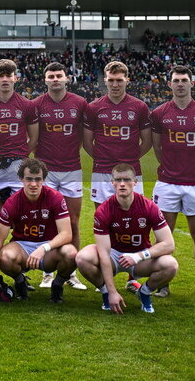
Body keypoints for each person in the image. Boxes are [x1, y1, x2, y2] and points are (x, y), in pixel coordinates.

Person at [150, 65, 195, 302]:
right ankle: (162, 282)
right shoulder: (159, 113)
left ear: (192, 83)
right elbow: (157, 148)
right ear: (169, 84)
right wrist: (171, 169)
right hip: (167, 183)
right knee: (163, 236)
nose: (180, 84)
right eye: (176, 80)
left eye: (184, 80)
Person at [82, 60, 152, 292]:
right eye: (111, 80)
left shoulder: (139, 107)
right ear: (105, 80)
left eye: (119, 80)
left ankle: (133, 274)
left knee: (135, 224)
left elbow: (147, 141)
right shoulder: (94, 107)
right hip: (102, 173)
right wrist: (105, 161)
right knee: (104, 222)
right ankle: (107, 272)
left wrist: (128, 163)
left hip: (132, 174)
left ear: (127, 80)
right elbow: (87, 142)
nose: (115, 84)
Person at [76, 164, 178, 314]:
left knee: (171, 265)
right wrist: (111, 291)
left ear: (135, 182)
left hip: (140, 256)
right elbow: (103, 253)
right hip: (113, 255)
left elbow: (169, 244)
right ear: (112, 183)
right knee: (83, 258)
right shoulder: (103, 210)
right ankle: (105, 292)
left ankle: (144, 292)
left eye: (127, 179)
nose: (122, 184)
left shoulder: (149, 207)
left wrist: (139, 256)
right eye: (118, 180)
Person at [31, 61, 88, 290]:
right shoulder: (36, 105)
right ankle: (47, 272)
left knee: (73, 222)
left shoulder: (80, 103)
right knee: (47, 222)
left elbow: (86, 136)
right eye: (51, 76)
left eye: (59, 76)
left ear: (67, 79)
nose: (55, 79)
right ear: (45, 80)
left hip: (72, 169)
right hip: (46, 172)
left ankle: (70, 272)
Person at [0, 158, 78, 305]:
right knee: (5, 256)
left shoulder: (55, 197)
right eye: (29, 179)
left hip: (49, 247)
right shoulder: (12, 202)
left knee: (71, 254)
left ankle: (57, 285)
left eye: (38, 179)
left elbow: (67, 234)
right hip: (22, 246)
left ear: (44, 179)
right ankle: (20, 282)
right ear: (21, 179)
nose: (33, 184)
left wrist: (44, 248)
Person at [0, 59, 38, 229]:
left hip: (17, 167)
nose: (5, 79)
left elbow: (34, 138)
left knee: (22, 219)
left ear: (15, 78)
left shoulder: (27, 105)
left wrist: (19, 157)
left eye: (8, 76)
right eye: (1, 76)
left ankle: (18, 253)